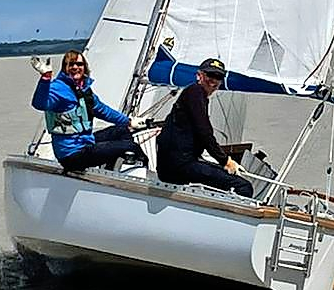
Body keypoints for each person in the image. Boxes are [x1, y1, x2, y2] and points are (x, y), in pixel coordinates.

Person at [31, 49, 148, 173]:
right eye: (71, 64)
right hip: (72, 155)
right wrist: (45, 78)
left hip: (85, 143)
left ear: (84, 67)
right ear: (65, 68)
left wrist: (129, 121)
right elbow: (40, 104)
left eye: (79, 64)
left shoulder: (84, 90)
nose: (75, 67)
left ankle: (110, 170)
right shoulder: (58, 88)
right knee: (131, 147)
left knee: (123, 130)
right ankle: (140, 176)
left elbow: (103, 111)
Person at [155, 57, 253, 198]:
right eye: (210, 75)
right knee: (243, 186)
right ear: (199, 75)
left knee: (222, 178)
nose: (213, 81)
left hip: (175, 165)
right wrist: (225, 161)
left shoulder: (195, 95)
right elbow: (204, 132)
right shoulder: (195, 92)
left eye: (218, 77)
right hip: (180, 165)